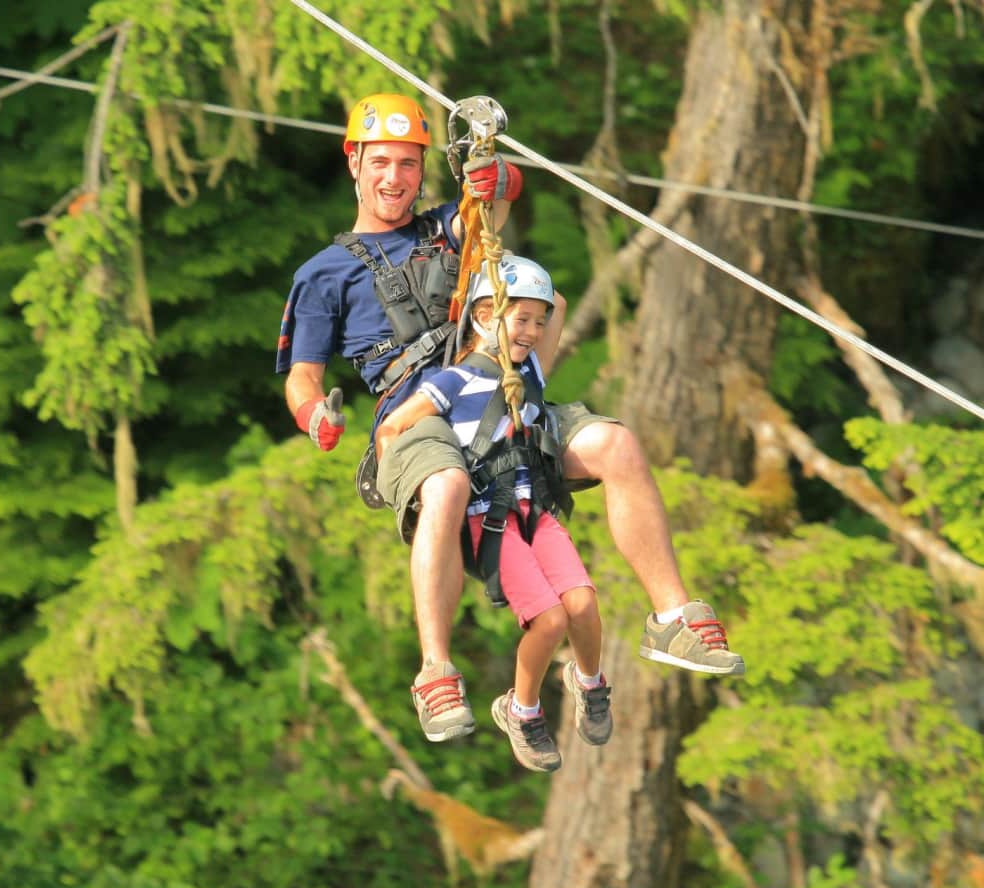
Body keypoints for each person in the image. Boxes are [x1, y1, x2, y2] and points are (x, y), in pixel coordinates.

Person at [276, 92, 744, 744]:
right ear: (354, 161)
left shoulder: (450, 227)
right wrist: (314, 417)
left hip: (497, 396)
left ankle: (673, 617)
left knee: (617, 445)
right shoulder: (323, 275)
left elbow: (493, 198)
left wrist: (498, 172)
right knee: (444, 484)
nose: (394, 179)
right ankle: (435, 671)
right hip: (420, 416)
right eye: (380, 162)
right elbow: (304, 375)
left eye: (408, 165)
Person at [375, 256, 609, 772]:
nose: (531, 332)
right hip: (490, 518)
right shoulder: (456, 379)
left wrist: (491, 250)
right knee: (548, 620)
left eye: (538, 323)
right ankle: (521, 711)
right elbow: (398, 424)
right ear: (484, 317)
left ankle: (589, 681)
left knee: (584, 605)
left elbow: (558, 304)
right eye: (519, 320)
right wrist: (405, 477)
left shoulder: (527, 372)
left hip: (536, 510)